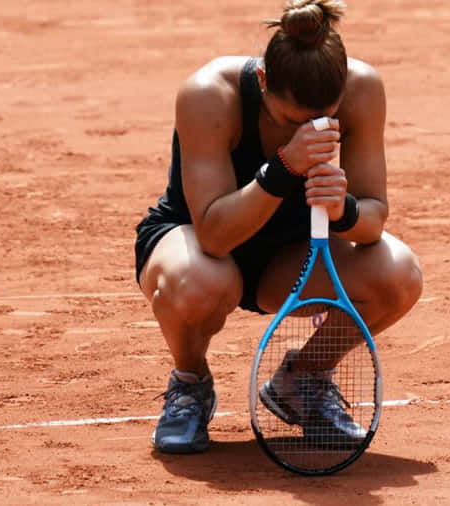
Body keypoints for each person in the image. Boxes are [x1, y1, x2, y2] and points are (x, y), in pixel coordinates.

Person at [135, 0, 422, 454]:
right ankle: (190, 383)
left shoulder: (362, 90)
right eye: (292, 120)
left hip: (290, 258)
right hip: (201, 244)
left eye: (322, 118)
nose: (307, 129)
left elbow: (372, 221)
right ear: (264, 81)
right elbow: (213, 234)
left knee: (399, 276)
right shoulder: (208, 94)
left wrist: (343, 209)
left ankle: (302, 380)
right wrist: (285, 166)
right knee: (199, 283)